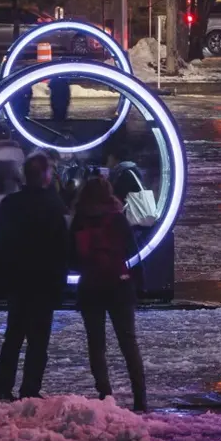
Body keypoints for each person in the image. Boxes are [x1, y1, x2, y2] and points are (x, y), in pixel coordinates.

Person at [0, 154, 71, 401]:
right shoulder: (54, 205)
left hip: (18, 282)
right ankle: (30, 390)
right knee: (38, 341)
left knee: (13, 336)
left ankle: (3, 387)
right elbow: (62, 249)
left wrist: (2, 278)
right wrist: (61, 283)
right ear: (46, 176)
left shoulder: (10, 204)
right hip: (44, 284)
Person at [71, 176, 147, 411]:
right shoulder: (117, 219)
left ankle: (105, 396)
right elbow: (132, 253)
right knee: (128, 343)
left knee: (96, 344)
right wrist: (138, 284)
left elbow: (71, 258)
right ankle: (140, 398)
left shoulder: (80, 220)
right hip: (119, 287)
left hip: (91, 288)